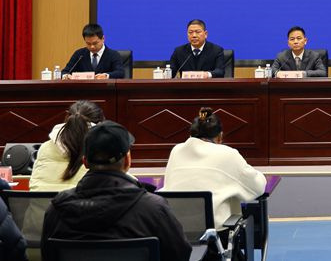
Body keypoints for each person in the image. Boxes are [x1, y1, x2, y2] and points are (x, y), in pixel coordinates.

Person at [41, 121, 191, 261]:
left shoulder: (56, 210)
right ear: (127, 161)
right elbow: (180, 254)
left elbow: (47, 255)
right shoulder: (154, 209)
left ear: (85, 162)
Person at [162, 107, 267, 231]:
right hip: (215, 235)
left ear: (191, 134)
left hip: (175, 231)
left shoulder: (176, 151)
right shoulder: (227, 154)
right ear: (220, 136)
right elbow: (257, 187)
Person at [30, 100, 104, 191]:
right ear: (100, 124)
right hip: (82, 200)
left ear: (67, 118)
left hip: (40, 200)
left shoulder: (45, 147)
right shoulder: (103, 149)